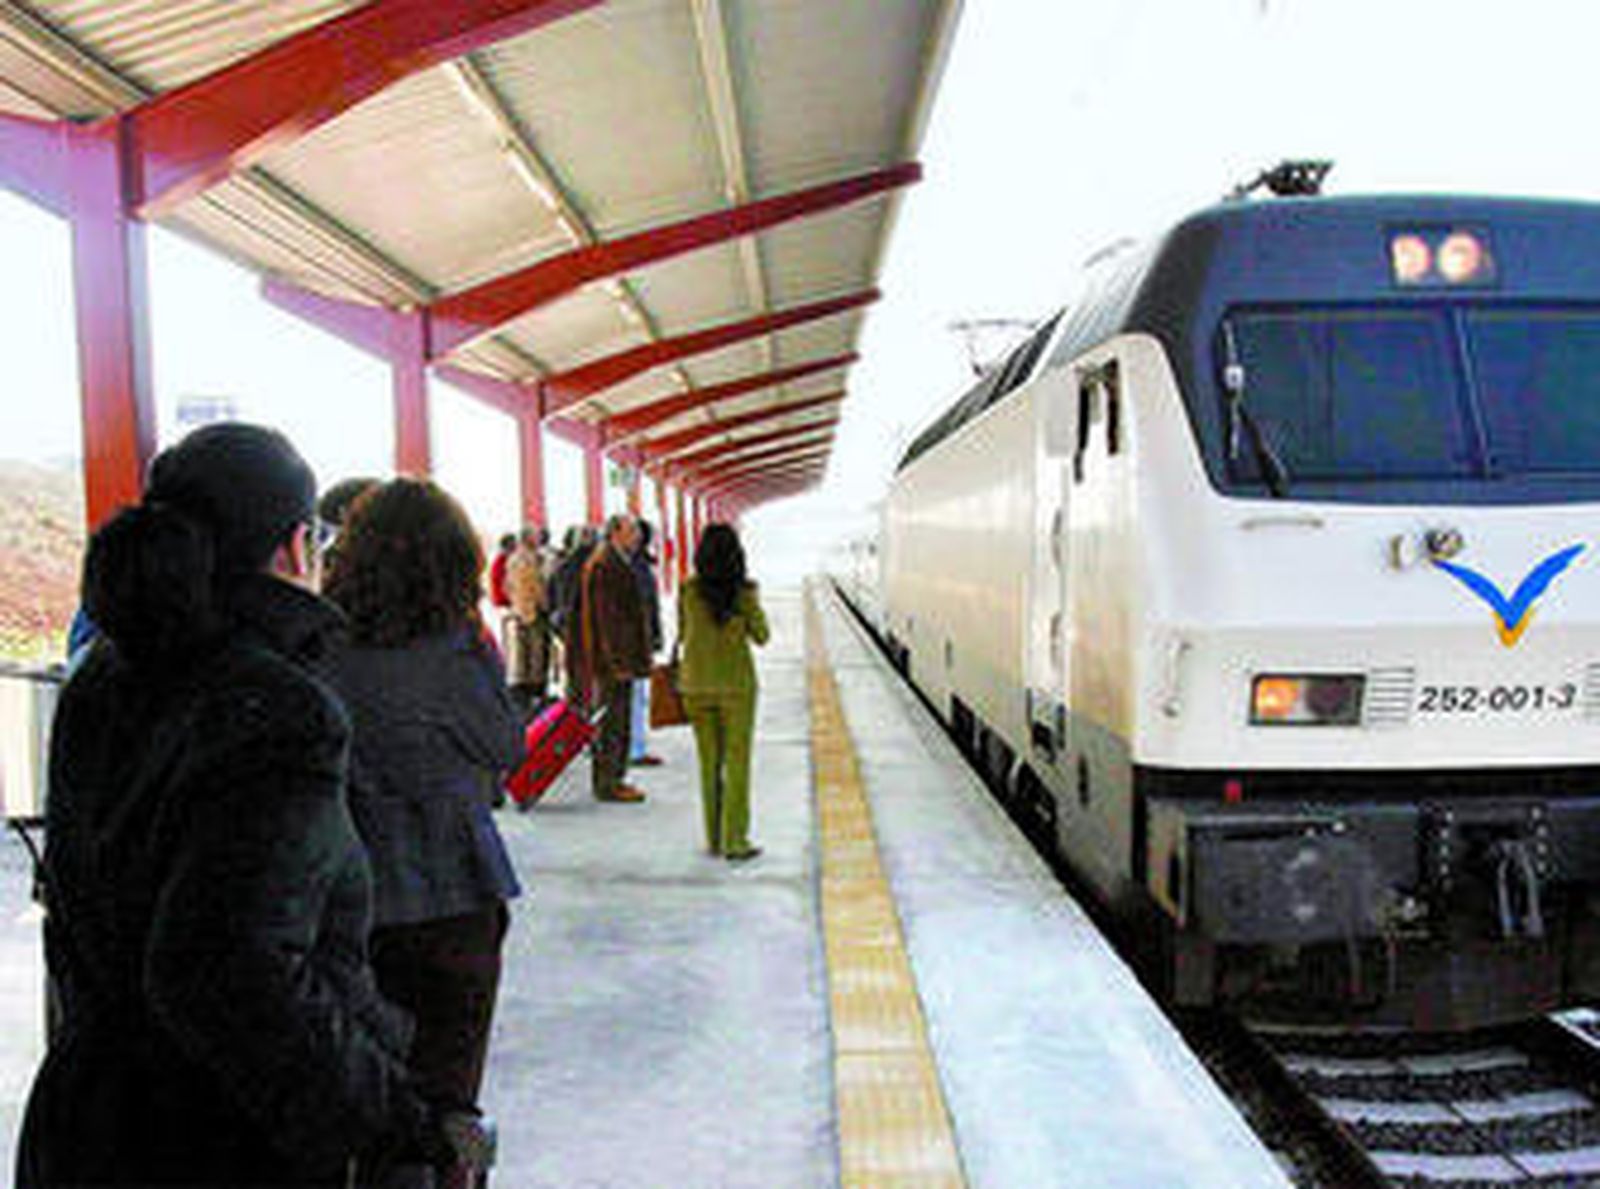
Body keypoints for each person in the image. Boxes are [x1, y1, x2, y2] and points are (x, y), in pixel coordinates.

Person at [17, 423, 457, 1187]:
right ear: (293, 547)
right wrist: (397, 1116)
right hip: (216, 1136)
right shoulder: (281, 709)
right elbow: (228, 970)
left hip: (87, 1117)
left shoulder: (102, 678)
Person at [323, 478, 525, 1187]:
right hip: (455, 899)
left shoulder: (317, 646)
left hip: (349, 907)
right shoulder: (454, 652)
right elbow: (506, 745)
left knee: (366, 1094)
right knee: (447, 1099)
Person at [678, 523, 769, 861]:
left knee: (708, 764)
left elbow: (686, 633)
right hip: (736, 688)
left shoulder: (687, 590)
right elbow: (763, 636)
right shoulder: (744, 593)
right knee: (737, 764)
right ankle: (735, 840)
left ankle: (714, 839)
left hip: (696, 686)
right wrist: (748, 611)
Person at [579, 515, 651, 803]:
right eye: (631, 531)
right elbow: (608, 620)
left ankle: (614, 778)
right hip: (612, 662)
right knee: (612, 721)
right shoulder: (606, 565)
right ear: (615, 533)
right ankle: (609, 782)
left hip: (615, 659)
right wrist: (617, 662)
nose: (637, 536)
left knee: (616, 719)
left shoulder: (613, 561)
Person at [628, 520, 664, 768]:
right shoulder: (638, 568)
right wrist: (653, 639)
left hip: (635, 640)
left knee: (635, 695)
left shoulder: (633, 565)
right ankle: (635, 749)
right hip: (635, 643)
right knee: (636, 695)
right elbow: (646, 608)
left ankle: (635, 746)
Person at [504, 527, 548, 714]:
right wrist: (545, 605)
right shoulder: (532, 560)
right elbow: (537, 587)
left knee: (520, 660)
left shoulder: (512, 559)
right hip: (533, 613)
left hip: (517, 611)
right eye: (536, 537)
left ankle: (522, 700)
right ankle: (533, 700)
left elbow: (506, 586)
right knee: (535, 659)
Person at [487, 532, 515, 614]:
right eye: (512, 547)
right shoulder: (499, 562)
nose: (514, 549)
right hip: (503, 602)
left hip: (510, 600)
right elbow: (504, 584)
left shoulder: (510, 560)